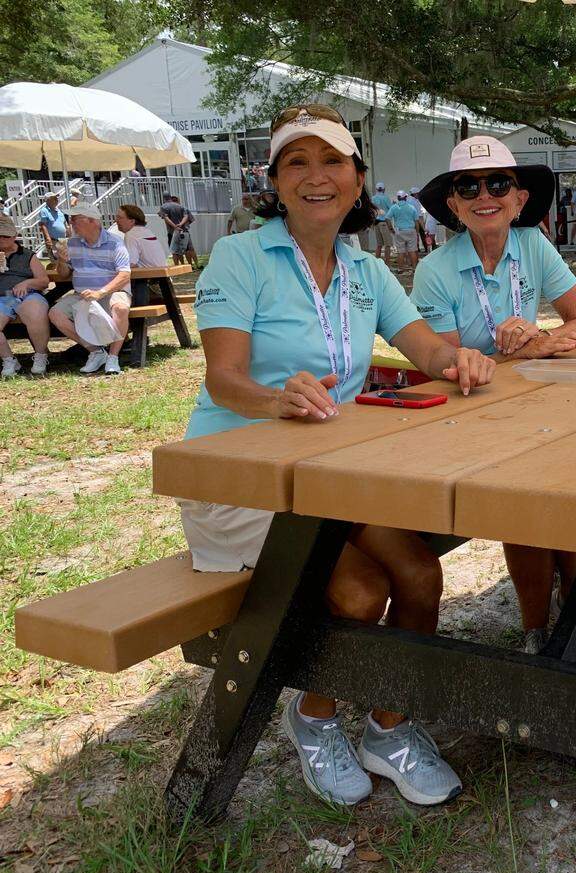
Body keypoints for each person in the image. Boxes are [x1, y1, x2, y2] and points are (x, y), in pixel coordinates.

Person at [183, 104, 495, 808]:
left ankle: (388, 727)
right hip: (237, 476)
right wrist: (275, 399)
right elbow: (222, 378)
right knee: (360, 592)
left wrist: (462, 359)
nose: (316, 177)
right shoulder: (240, 254)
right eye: (297, 162)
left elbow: (426, 349)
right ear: (275, 182)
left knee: (418, 575)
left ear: (358, 181)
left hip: (329, 479)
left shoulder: (364, 269)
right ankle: (315, 716)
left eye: (333, 162)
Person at [413, 136, 576, 653]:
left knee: (574, 484)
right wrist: (522, 353)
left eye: (499, 182)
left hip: (538, 407)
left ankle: (575, 621)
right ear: (453, 205)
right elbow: (450, 368)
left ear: (520, 198)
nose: (485, 195)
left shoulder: (534, 245)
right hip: (469, 421)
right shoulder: (433, 271)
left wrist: (542, 340)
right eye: (468, 186)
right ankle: (541, 630)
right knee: (526, 498)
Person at [48, 202, 133, 376]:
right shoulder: (72, 244)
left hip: (111, 292)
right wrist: (62, 261)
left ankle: (113, 357)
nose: (71, 223)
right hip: (82, 295)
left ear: (93, 221)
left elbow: (124, 275)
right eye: (70, 219)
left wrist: (101, 292)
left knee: (121, 307)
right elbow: (63, 274)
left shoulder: (115, 243)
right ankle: (95, 351)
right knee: (55, 313)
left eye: (75, 219)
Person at [0, 214, 51, 377]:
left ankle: (41, 356)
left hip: (28, 294)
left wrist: (27, 283)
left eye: (5, 236)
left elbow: (43, 280)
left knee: (36, 312)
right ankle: (9, 360)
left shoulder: (27, 255)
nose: (1, 239)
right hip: (3, 297)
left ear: (14, 236)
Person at [387, 189, 422, 270]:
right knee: (412, 250)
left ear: (398, 198)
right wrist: (417, 232)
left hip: (399, 231)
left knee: (400, 251)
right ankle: (414, 268)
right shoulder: (411, 207)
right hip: (411, 230)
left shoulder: (394, 207)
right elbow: (416, 221)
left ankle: (400, 269)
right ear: (405, 197)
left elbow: (387, 218)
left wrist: (391, 228)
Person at [37, 192, 70, 257]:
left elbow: (64, 223)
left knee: (65, 261)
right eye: (54, 198)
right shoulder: (44, 211)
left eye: (56, 198)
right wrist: (47, 238)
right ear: (48, 200)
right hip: (53, 241)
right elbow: (43, 225)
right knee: (56, 261)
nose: (56, 200)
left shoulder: (59, 211)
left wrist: (68, 233)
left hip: (63, 241)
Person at [369, 181, 393, 260]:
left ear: (376, 189)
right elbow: (391, 209)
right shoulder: (385, 198)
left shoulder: (373, 198)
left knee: (379, 245)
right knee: (387, 244)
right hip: (384, 223)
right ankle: (387, 263)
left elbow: (371, 211)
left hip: (376, 223)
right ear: (384, 189)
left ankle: (377, 262)